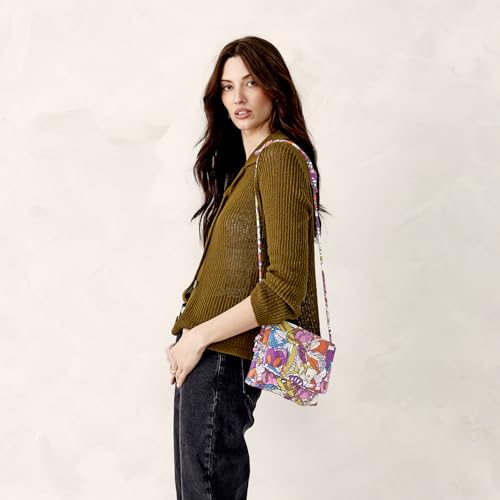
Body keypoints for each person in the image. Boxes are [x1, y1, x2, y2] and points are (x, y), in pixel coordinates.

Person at [165, 35, 328, 500]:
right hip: (207, 357)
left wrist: (198, 336)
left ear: (275, 88)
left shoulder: (279, 159)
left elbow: (283, 289)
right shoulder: (250, 165)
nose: (238, 97)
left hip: (220, 356)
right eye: (227, 86)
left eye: (251, 82)